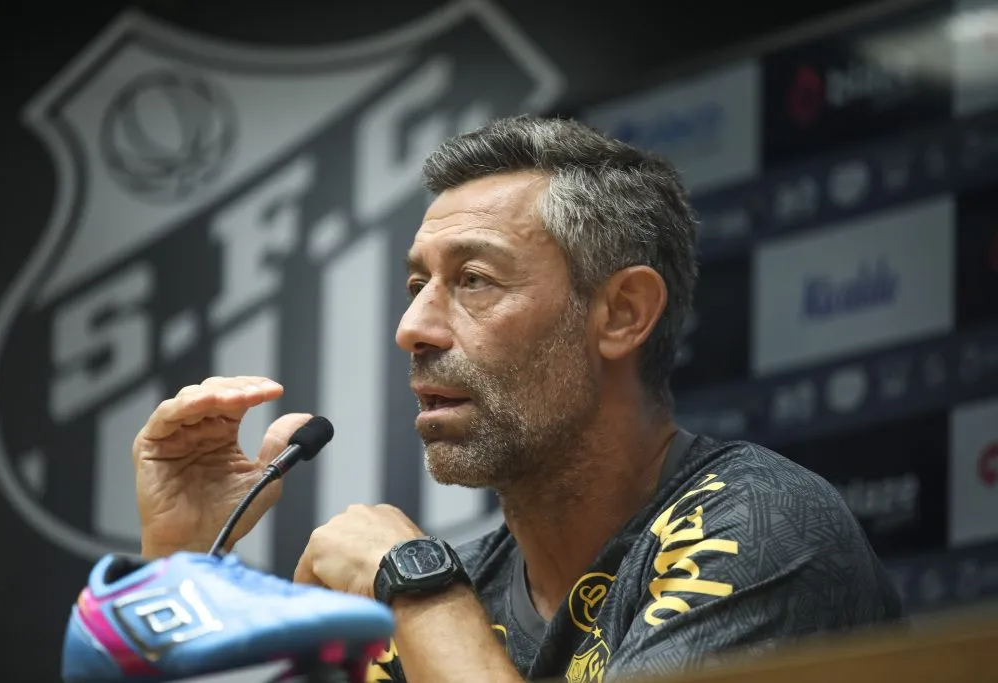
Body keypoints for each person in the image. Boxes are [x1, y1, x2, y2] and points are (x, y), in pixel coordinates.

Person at [132, 115, 904, 683]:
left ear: (622, 313)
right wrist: (179, 569)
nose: (411, 327)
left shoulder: (767, 528)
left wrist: (417, 584)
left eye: (473, 280)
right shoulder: (450, 593)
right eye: (415, 285)